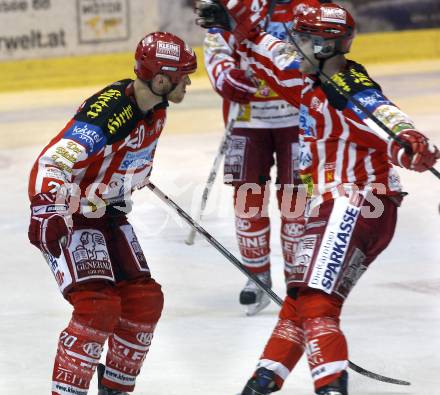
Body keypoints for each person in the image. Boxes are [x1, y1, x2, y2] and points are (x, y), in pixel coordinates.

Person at [195, 1, 439, 394]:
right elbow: (270, 51)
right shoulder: (308, 79)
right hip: (337, 206)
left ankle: (329, 386)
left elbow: (387, 119)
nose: (290, 43)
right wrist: (237, 26)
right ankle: (263, 380)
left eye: (301, 39)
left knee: (317, 300)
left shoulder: (351, 91)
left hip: (356, 202)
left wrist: (412, 143)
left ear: (324, 47)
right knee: (300, 299)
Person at [27, 32, 197, 395]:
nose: (189, 83)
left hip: (110, 215)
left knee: (144, 302)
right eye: (183, 76)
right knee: (96, 307)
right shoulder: (109, 114)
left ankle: (116, 390)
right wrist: (45, 209)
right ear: (162, 79)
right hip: (71, 213)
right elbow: (52, 160)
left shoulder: (156, 108)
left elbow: (129, 159)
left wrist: (131, 177)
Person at [203, 0, 304, 316]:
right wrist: (223, 76)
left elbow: (315, 56)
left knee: (296, 201)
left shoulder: (309, 6)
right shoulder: (231, 3)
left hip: (296, 119)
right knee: (248, 198)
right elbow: (215, 44)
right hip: (246, 119)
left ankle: (298, 280)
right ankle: (256, 274)